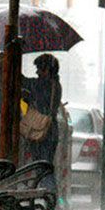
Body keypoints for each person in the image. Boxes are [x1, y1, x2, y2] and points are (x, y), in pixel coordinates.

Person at [21, 53, 62, 192]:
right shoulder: (56, 85)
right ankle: (50, 200)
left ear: (47, 70)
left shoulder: (42, 85)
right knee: (45, 167)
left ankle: (51, 200)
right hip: (51, 129)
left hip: (42, 129)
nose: (37, 72)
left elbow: (23, 82)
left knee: (43, 168)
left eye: (39, 69)